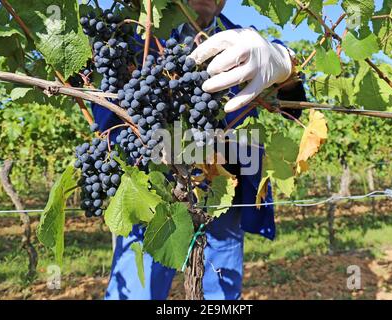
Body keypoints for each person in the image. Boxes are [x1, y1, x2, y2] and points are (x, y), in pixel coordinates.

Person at [94, 0, 307, 300]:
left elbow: (291, 103)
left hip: (223, 194)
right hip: (153, 193)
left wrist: (283, 61)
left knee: (221, 294)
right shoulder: (135, 34)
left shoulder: (241, 38)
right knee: (138, 292)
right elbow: (106, 109)